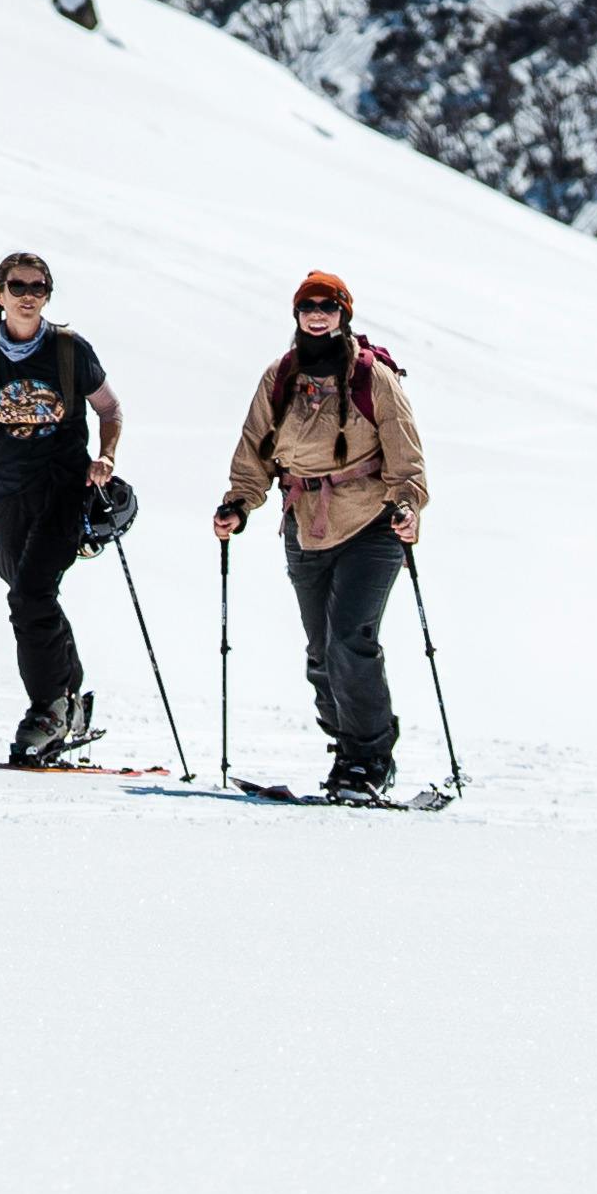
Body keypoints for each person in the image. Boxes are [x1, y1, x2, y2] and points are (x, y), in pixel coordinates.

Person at [215, 271, 426, 801]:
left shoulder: (372, 377)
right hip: (306, 526)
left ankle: (370, 757)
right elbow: (254, 450)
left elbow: (406, 455)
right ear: (296, 314)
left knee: (349, 639)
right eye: (308, 306)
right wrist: (239, 503)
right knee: (320, 652)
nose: (317, 314)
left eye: (328, 306)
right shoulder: (280, 377)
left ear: (343, 314)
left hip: (371, 523)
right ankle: (347, 747)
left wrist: (407, 505)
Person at [0, 251, 127, 763]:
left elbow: (110, 408)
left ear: (48, 295)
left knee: (31, 594)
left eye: (38, 286)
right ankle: (72, 703)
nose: (28, 294)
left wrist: (105, 456)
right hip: (5, 493)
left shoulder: (69, 350)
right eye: (18, 285)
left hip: (62, 488)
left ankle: (48, 711)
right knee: (30, 594)